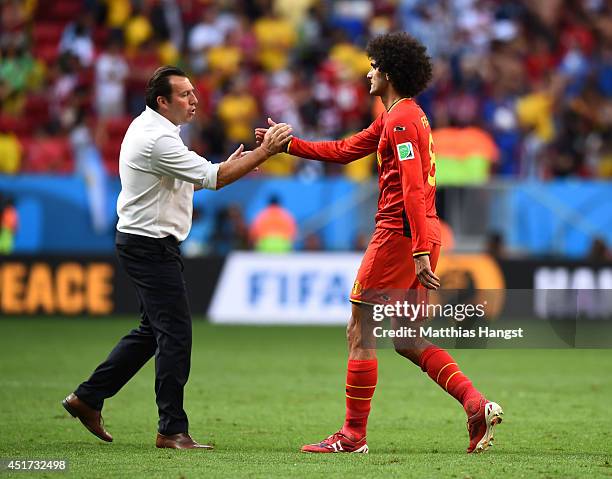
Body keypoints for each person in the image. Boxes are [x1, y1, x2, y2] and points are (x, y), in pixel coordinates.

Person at [256, 32, 502, 454]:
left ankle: (353, 436)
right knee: (408, 338)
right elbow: (347, 149)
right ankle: (475, 404)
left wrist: (420, 249)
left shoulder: (402, 120)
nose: (367, 72)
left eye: (373, 66)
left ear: (387, 71)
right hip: (418, 234)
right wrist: (288, 146)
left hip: (399, 237)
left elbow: (410, 188)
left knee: (360, 330)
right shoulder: (401, 116)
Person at [62, 65, 292, 450]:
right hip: (150, 245)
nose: (194, 99)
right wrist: (265, 151)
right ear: (162, 101)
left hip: (143, 241)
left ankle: (88, 397)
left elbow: (185, 182)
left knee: (152, 332)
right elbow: (214, 179)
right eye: (185, 94)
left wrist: (233, 164)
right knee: (175, 335)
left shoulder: (156, 129)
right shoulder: (157, 139)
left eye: (193, 92)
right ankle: (170, 429)